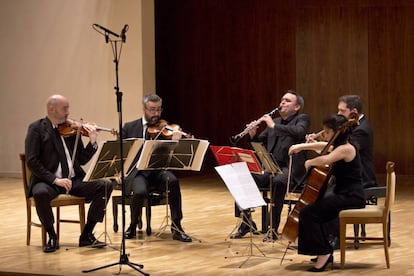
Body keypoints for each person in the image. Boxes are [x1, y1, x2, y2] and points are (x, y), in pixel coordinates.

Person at [25, 94, 113, 253]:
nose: (68, 112)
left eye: (68, 108)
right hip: (48, 181)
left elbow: (81, 160)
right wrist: (54, 180)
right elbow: (32, 161)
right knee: (40, 193)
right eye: (64, 108)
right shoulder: (36, 128)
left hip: (74, 180)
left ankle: (87, 234)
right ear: (51, 109)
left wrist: (92, 142)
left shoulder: (72, 130)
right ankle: (52, 235)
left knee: (105, 185)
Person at [289, 114, 366, 272]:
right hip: (343, 193)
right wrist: (301, 147)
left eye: (327, 132)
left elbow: (326, 159)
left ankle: (324, 252)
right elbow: (323, 147)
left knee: (308, 213)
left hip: (351, 196)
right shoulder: (341, 146)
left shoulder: (346, 148)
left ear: (338, 131)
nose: (325, 135)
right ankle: (324, 249)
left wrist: (310, 162)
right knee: (314, 210)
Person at [230, 90, 310, 242]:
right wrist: (253, 135)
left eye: (287, 101)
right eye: (282, 100)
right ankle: (246, 222)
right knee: (241, 177)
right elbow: (260, 146)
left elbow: (299, 133)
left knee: (278, 181)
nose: (282, 103)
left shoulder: (302, 119)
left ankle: (272, 229)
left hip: (290, 168)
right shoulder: (276, 122)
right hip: (271, 167)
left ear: (297, 107)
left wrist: (273, 125)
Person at [122, 94, 192, 242]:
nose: (156, 114)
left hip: (157, 171)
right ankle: (132, 225)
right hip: (138, 173)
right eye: (152, 110)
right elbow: (120, 152)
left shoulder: (165, 129)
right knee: (139, 191)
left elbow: (172, 156)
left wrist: (176, 142)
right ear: (144, 109)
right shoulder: (129, 127)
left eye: (159, 110)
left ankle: (177, 226)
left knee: (173, 182)